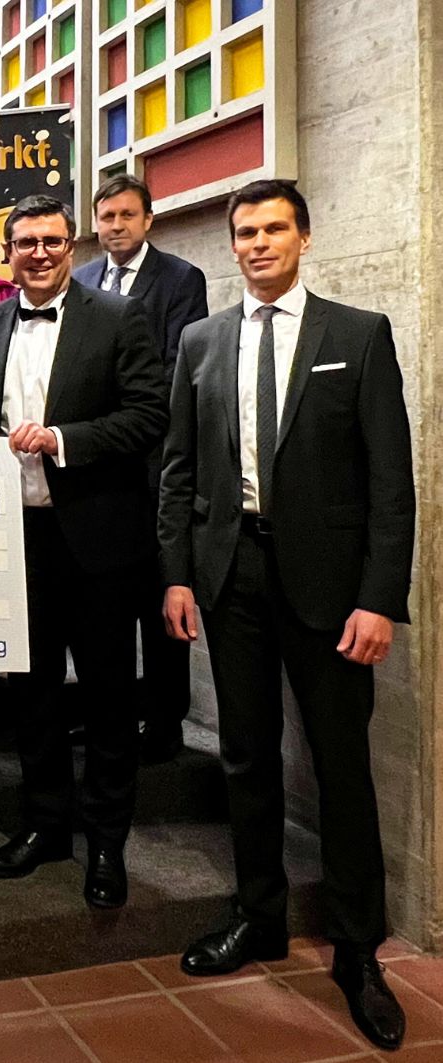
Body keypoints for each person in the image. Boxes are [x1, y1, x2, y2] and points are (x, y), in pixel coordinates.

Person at [161, 180, 414, 1052]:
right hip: (229, 574)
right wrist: (177, 575)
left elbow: (390, 481)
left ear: (303, 237)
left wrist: (379, 596)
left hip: (331, 588)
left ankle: (357, 948)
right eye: (245, 232)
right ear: (231, 245)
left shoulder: (357, 334)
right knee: (244, 755)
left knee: (340, 765)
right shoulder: (199, 340)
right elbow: (178, 470)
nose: (258, 243)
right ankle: (258, 915)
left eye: (274, 228)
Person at [0, 194, 167, 911]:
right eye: (25, 242)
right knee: (33, 692)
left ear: (71, 247)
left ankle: (106, 839)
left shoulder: (118, 316)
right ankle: (46, 825)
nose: (39, 253)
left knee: (108, 696)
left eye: (51, 241)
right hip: (13, 538)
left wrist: (61, 440)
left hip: (98, 540)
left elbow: (149, 414)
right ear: (8, 252)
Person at [74, 173, 209, 763]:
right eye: (107, 216)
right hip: (96, 467)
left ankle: (164, 721)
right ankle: (107, 715)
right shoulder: (82, 279)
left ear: (148, 219)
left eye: (128, 215)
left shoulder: (180, 278)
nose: (117, 226)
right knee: (102, 608)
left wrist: (125, 417)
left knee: (160, 601)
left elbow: (179, 366)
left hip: (155, 464)